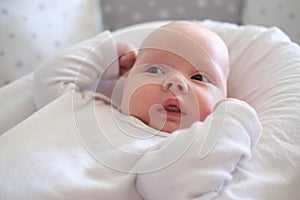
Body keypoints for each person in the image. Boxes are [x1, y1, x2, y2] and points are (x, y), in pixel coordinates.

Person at [0, 21, 261, 200]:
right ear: (126, 81)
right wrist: (110, 55)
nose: (175, 83)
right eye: (154, 70)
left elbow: (170, 189)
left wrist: (234, 121)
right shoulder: (87, 107)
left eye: (199, 78)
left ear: (222, 103)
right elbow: (47, 78)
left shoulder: (170, 152)